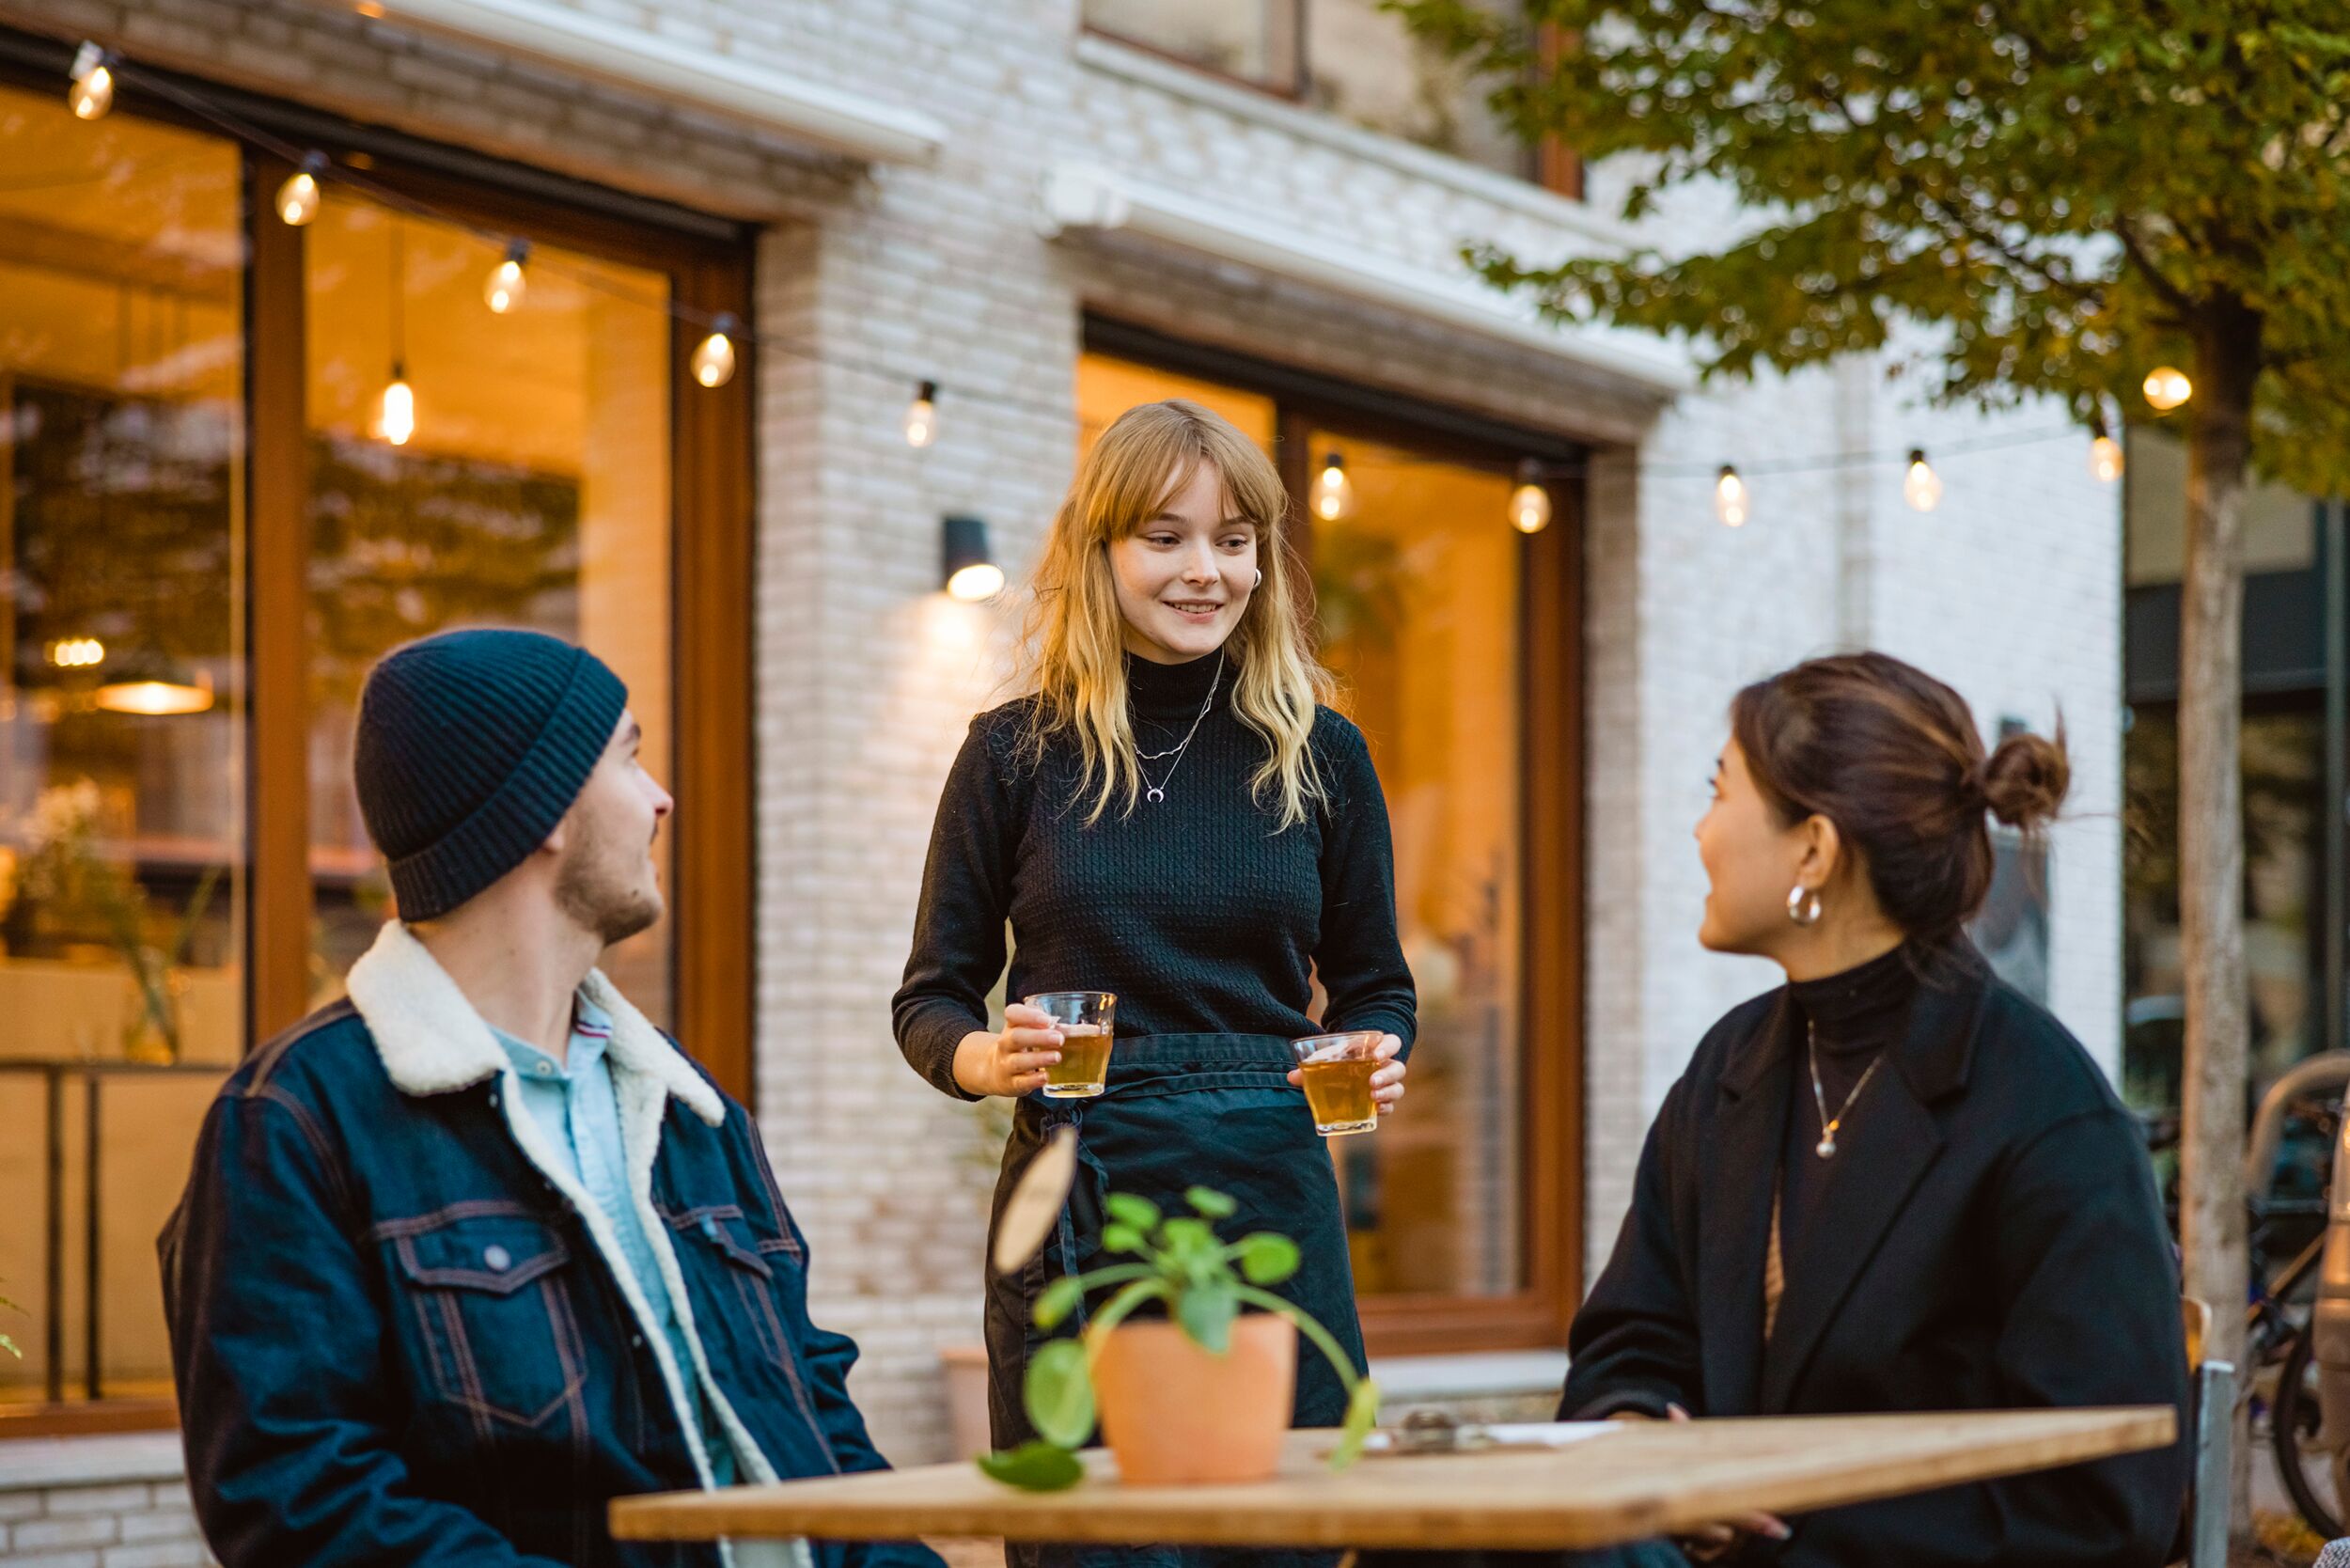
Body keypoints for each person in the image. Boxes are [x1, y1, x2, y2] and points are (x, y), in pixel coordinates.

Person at [161, 628, 941, 1568]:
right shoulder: (296, 1120)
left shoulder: (687, 1110)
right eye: (628, 756)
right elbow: (303, 1505)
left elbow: (814, 1421)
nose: (662, 799)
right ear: (544, 807)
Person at [893, 400, 1416, 1562]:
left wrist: (1376, 1051)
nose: (1204, 570)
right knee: (1094, 1542)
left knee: (1285, 1530)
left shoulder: (1321, 753)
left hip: (1269, 1187)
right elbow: (931, 996)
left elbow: (1377, 987)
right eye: (1166, 537)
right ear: (1103, 548)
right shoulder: (1014, 753)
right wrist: (983, 1058)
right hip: (1082, 1184)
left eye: (1234, 540)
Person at [1557, 651, 2188, 1566]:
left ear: (1812, 848)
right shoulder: (1727, 1072)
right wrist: (1646, 1441)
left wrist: (1787, 1528)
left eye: (1717, 791)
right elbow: (1630, 1340)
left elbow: (2105, 1500)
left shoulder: (2045, 1112)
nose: (1696, 831)